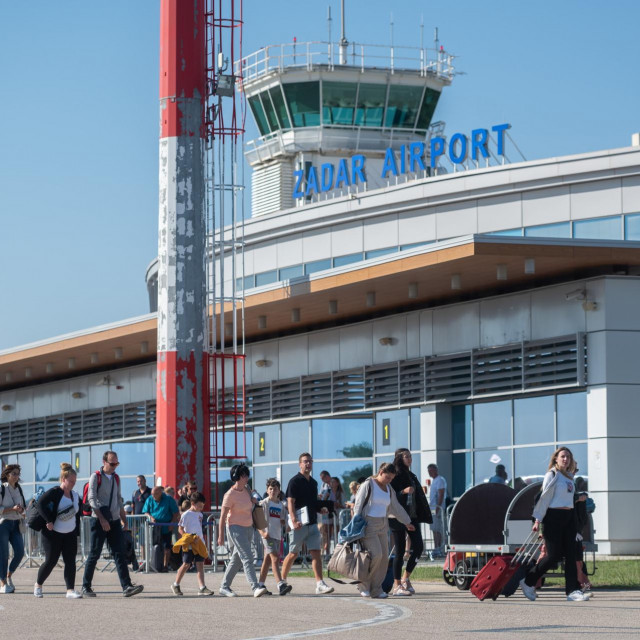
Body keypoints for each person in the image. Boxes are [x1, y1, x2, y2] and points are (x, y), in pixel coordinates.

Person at [519, 446, 590, 602]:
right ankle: (528, 581)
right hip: (553, 517)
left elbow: (566, 499)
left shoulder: (569, 477)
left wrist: (578, 498)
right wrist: (538, 520)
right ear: (556, 459)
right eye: (563, 456)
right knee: (553, 555)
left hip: (569, 517)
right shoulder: (552, 475)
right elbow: (544, 499)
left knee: (571, 555)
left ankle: (572, 591)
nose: (566, 459)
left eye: (568, 457)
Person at [82, 450, 144, 597]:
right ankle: (86, 586)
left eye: (117, 463)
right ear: (104, 462)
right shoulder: (95, 477)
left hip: (114, 520)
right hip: (98, 520)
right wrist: (102, 519)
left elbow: (118, 499)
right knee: (94, 554)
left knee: (119, 553)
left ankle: (127, 586)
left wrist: (124, 519)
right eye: (112, 463)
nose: (115, 465)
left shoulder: (116, 478)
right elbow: (91, 499)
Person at [353, 463, 413, 598]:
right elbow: (358, 505)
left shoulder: (388, 488)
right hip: (368, 524)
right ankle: (364, 585)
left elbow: (395, 507)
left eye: (391, 478)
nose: (389, 480)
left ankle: (376, 589)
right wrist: (356, 524)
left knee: (384, 559)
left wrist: (407, 522)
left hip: (382, 524)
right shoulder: (368, 484)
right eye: (387, 477)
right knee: (376, 555)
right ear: (380, 472)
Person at [281, 453, 334, 594]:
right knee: (293, 553)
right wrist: (293, 519)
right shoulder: (294, 481)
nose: (308, 464)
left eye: (310, 461)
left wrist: (320, 508)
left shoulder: (314, 483)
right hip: (298, 524)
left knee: (316, 553)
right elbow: (290, 502)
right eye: (305, 462)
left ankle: (320, 584)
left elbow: (313, 502)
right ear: (300, 464)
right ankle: (282, 581)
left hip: (312, 523)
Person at [217, 464, 268, 598]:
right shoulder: (229, 495)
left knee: (237, 559)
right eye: (244, 475)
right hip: (235, 527)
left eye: (247, 475)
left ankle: (224, 586)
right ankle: (255, 587)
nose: (247, 478)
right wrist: (220, 536)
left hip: (248, 527)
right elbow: (222, 517)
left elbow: (252, 501)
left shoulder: (247, 489)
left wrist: (253, 500)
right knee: (247, 557)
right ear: (237, 477)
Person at [33, 463, 83, 598]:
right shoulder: (55, 492)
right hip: (52, 533)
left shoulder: (75, 495)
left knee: (70, 561)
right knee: (51, 561)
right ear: (63, 479)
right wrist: (48, 520)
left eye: (75, 481)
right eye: (71, 481)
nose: (73, 483)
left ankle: (70, 590)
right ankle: (38, 585)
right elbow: (40, 505)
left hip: (70, 533)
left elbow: (80, 512)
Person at [390, 448, 431, 596]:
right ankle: (396, 585)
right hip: (397, 517)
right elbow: (391, 496)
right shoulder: (395, 475)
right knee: (400, 551)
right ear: (399, 458)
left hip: (412, 516)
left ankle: (405, 578)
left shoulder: (411, 475)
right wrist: (403, 491)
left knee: (418, 547)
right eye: (406, 456)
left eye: (410, 456)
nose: (409, 459)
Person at [171, 492, 213, 596]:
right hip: (189, 543)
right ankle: (176, 584)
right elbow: (180, 528)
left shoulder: (200, 514)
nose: (201, 508)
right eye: (199, 506)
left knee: (200, 564)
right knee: (186, 564)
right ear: (193, 503)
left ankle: (202, 587)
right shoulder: (186, 515)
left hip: (199, 543)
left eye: (202, 506)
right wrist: (188, 537)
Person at [257, 478, 292, 596]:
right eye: (270, 489)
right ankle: (280, 585)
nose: (273, 491)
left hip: (277, 536)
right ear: (267, 490)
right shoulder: (264, 503)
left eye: (275, 489)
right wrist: (262, 533)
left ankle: (260, 584)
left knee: (267, 561)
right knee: (275, 558)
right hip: (268, 536)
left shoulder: (281, 505)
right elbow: (257, 520)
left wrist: (286, 524)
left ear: (279, 490)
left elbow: (282, 520)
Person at [0, 464, 26, 594]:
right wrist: (12, 509)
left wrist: (21, 510)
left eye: (18, 474)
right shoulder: (2, 488)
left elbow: (23, 507)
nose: (16, 476)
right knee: (3, 554)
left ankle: (9, 574)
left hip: (16, 524)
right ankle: (3, 582)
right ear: (7, 475)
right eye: (14, 473)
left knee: (20, 552)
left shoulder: (19, 489)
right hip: (3, 524)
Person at [143, 485, 179, 572]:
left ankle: (165, 565)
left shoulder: (168, 499)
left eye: (155, 494)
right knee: (155, 546)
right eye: (152, 494)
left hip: (166, 526)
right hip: (154, 527)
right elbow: (145, 512)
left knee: (167, 547)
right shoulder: (150, 499)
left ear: (160, 493)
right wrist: (150, 517)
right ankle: (155, 564)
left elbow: (175, 512)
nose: (153, 496)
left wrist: (172, 523)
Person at [427, 463, 447, 557]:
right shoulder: (434, 481)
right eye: (428, 471)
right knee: (434, 529)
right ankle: (436, 547)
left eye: (431, 470)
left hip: (437, 509)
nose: (429, 473)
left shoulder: (440, 480)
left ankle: (438, 548)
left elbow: (441, 494)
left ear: (435, 470)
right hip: (432, 509)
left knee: (437, 529)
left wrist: (438, 508)